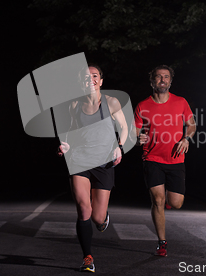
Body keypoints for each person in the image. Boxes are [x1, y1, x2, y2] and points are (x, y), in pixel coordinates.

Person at [58, 64, 128, 272]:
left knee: (97, 217)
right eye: (86, 77)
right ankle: (87, 257)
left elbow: (124, 127)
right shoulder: (74, 105)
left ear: (101, 80)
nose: (91, 79)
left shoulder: (111, 102)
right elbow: (70, 130)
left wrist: (119, 147)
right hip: (79, 161)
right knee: (83, 209)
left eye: (95, 76)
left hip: (104, 163)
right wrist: (66, 144)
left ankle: (103, 218)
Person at [134, 65, 196, 257]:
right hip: (152, 158)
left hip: (176, 159)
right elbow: (135, 133)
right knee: (158, 200)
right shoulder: (143, 106)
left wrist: (186, 138)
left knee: (176, 203)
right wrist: (137, 139)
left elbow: (191, 124)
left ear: (170, 81)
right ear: (152, 81)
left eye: (166, 77)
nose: (162, 80)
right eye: (159, 77)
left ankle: (169, 202)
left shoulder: (181, 102)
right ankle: (162, 243)